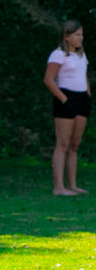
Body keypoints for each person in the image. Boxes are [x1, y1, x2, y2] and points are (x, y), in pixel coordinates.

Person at [43, 19, 90, 195]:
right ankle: (59, 187)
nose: (81, 38)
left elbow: (83, 75)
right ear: (67, 36)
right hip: (66, 99)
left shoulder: (80, 55)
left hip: (82, 100)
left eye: (82, 34)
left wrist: (87, 95)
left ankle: (72, 184)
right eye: (77, 35)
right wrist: (64, 99)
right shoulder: (58, 55)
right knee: (62, 143)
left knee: (74, 144)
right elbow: (48, 79)